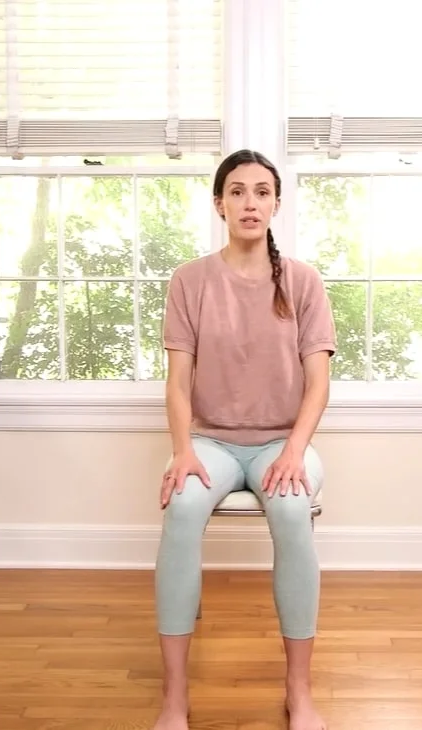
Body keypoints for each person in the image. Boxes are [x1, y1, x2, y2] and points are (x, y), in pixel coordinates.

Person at [152, 149, 336, 730]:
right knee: (182, 508)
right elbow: (177, 382)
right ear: (219, 204)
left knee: (291, 509)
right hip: (210, 442)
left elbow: (318, 384)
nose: (249, 202)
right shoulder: (190, 280)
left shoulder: (303, 281)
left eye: (262, 192)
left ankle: (299, 690)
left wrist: (293, 451)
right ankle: (174, 696)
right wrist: (182, 451)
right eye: (237, 191)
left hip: (282, 441)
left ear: (276, 204)